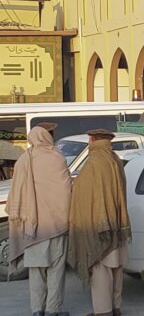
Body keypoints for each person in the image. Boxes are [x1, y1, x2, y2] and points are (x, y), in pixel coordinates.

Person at [6, 123, 72, 316]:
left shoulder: (23, 160)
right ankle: (52, 309)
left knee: (36, 272)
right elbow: (66, 191)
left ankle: (37, 309)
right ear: (48, 136)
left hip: (32, 227)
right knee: (56, 270)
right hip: (57, 225)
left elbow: (16, 194)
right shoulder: (57, 158)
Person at [68, 129, 132, 316]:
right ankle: (115, 307)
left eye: (90, 139)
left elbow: (86, 195)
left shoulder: (94, 162)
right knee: (116, 268)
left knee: (101, 270)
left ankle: (103, 311)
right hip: (117, 223)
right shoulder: (114, 159)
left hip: (99, 226)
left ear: (93, 140)